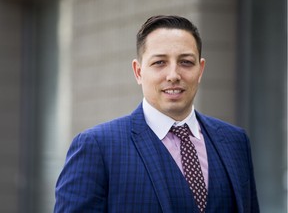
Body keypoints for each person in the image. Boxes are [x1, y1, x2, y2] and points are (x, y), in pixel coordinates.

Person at [54, 15, 259, 213]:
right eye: (159, 62)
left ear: (201, 70)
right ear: (138, 72)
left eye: (186, 62)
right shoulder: (97, 147)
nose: (173, 75)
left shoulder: (235, 142)